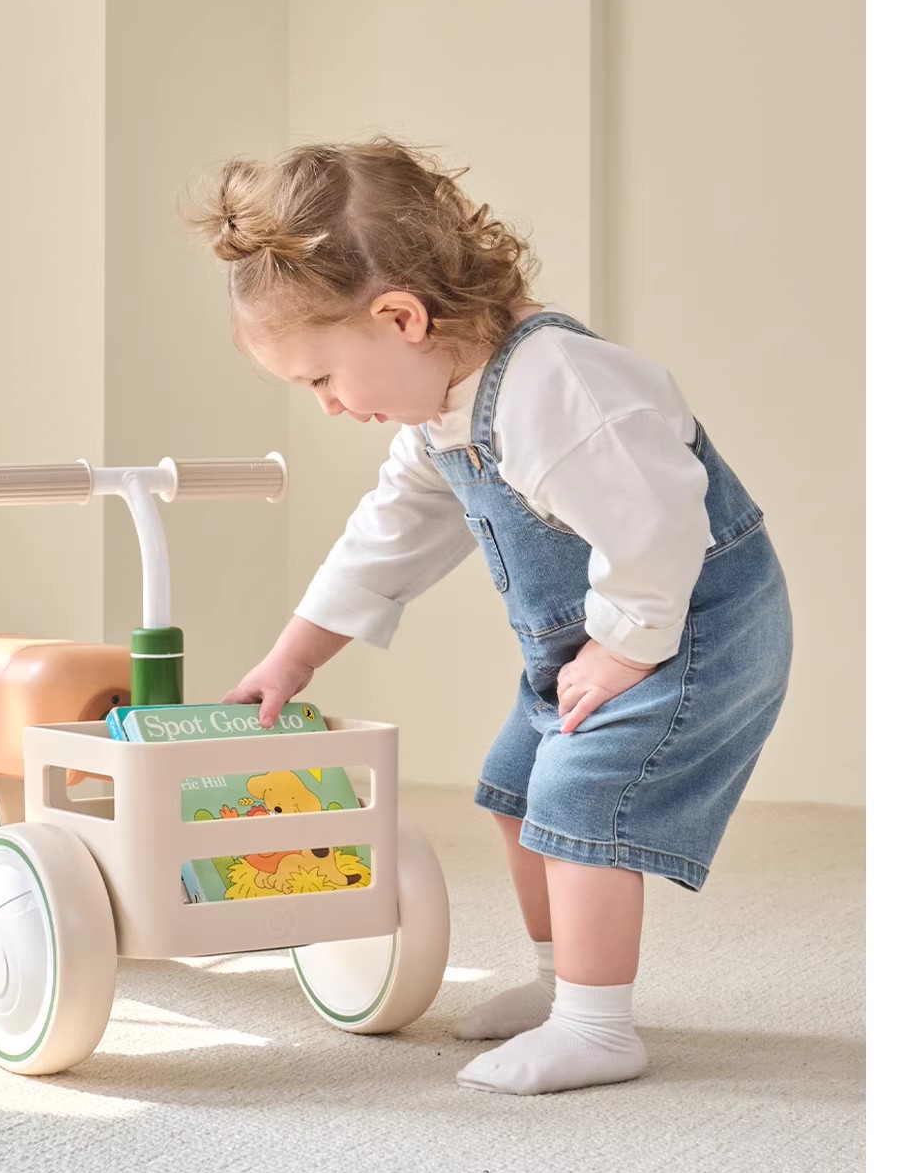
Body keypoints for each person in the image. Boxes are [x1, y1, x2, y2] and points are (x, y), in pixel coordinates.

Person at [179, 135, 793, 1095]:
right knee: (515, 790)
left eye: (322, 378)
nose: (329, 405)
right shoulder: (444, 406)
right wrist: (296, 654)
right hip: (598, 636)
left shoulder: (559, 388)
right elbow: (391, 532)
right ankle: (560, 985)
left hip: (688, 625)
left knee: (579, 801)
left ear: (401, 317)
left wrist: (623, 652)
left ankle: (597, 1026)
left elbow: (659, 530)